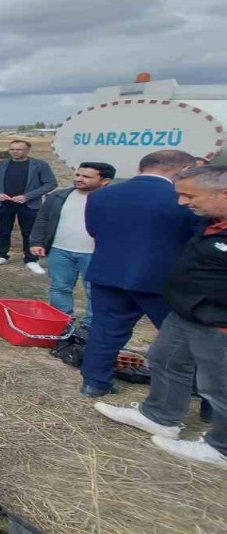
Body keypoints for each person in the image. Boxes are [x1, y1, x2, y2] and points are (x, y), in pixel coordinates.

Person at [93, 165, 227, 468]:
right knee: (165, 360)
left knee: (218, 383)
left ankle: (221, 448)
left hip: (218, 321)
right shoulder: (212, 222)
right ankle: (160, 416)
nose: (182, 202)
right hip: (186, 312)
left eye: (190, 196)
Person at [78, 150, 201, 398]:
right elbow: (197, 239)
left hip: (109, 272)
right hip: (163, 278)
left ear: (142, 167)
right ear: (185, 170)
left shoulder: (102, 194)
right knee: (183, 335)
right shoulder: (186, 198)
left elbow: (93, 230)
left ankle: (95, 383)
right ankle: (199, 388)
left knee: (105, 330)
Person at [28, 162, 117, 328]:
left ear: (105, 181)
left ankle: (90, 326)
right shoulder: (58, 196)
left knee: (95, 291)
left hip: (95, 254)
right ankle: (63, 323)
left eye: (86, 177)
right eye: (78, 175)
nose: (79, 179)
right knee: (59, 288)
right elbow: (43, 219)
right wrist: (36, 241)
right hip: (60, 251)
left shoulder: (115, 200)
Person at [0, 140, 58, 274]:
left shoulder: (39, 165)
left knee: (29, 232)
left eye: (19, 149)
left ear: (27, 150)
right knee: (3, 230)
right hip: (5, 203)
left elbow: (50, 183)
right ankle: (1, 255)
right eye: (12, 149)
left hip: (28, 204)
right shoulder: (2, 164)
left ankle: (31, 259)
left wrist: (27, 196)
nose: (15, 152)